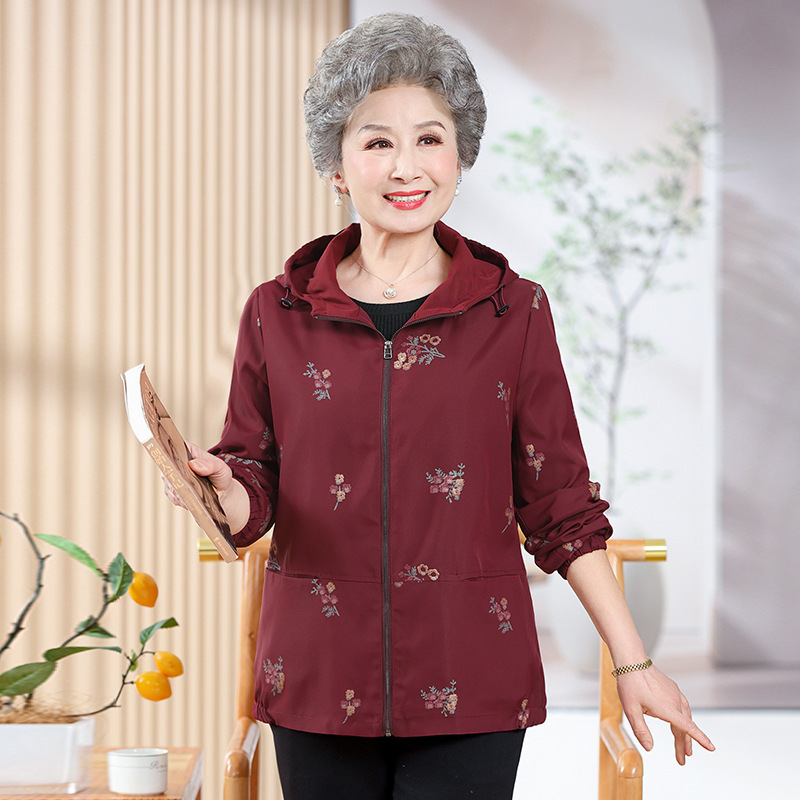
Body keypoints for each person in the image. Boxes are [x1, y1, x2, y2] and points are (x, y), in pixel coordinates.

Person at [165, 12, 714, 799]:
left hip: (473, 677)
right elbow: (254, 481)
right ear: (335, 164)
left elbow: (560, 506)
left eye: (429, 138)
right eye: (376, 142)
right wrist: (223, 493)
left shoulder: (514, 312)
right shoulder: (276, 313)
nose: (406, 166)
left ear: (460, 156)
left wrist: (635, 663)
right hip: (317, 675)